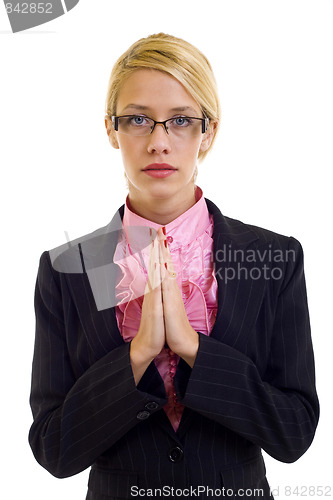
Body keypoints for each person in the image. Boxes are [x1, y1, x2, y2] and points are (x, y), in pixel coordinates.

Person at [29, 33, 319, 499]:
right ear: (110, 129)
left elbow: (294, 433)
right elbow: (53, 449)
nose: (159, 142)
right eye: (138, 119)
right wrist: (137, 354)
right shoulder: (69, 269)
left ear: (209, 131)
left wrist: (194, 350)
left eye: (181, 120)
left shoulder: (273, 258)